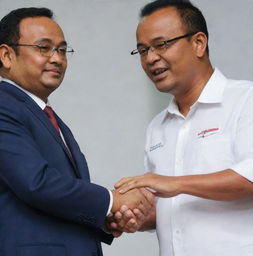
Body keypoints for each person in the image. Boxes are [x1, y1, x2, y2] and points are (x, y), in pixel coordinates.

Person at [0, 7, 154, 256]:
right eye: (43, 47)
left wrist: (105, 217)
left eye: (62, 49)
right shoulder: (4, 106)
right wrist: (112, 201)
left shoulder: (47, 117)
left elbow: (58, 199)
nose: (57, 58)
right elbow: (36, 183)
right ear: (6, 55)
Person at [114, 1, 253, 255]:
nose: (151, 58)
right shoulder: (158, 126)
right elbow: (169, 205)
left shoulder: (247, 100)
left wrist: (174, 183)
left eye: (161, 44)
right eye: (143, 50)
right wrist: (134, 216)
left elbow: (251, 177)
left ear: (198, 43)